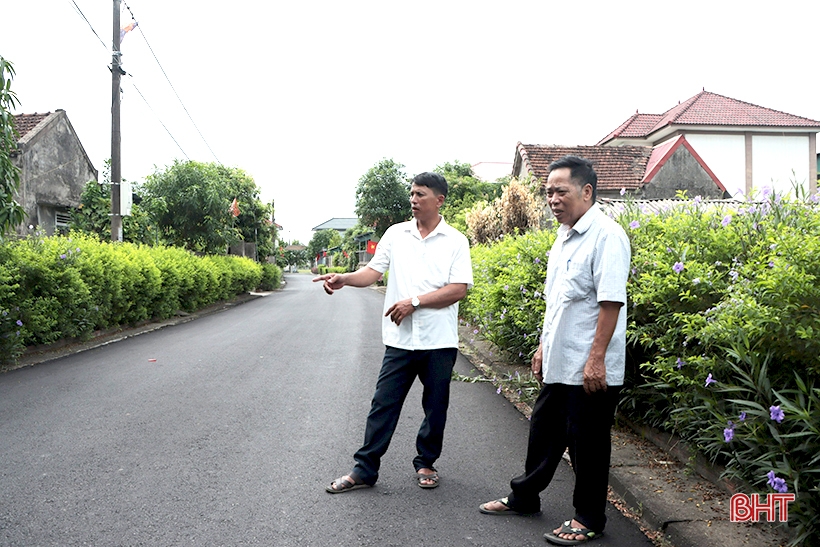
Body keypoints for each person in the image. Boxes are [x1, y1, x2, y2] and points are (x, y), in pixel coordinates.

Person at [478, 156, 630, 546]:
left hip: (589, 367)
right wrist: (543, 346)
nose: (553, 199)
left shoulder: (607, 236)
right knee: (544, 432)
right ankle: (524, 497)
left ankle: (589, 517)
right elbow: (559, 302)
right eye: (548, 192)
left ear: (587, 192)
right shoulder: (563, 238)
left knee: (589, 445)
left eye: (561, 191)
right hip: (561, 360)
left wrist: (596, 359)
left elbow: (610, 303)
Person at [313, 171, 473, 493]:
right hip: (400, 341)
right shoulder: (396, 234)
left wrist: (415, 302)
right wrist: (344, 278)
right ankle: (364, 469)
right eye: (412, 194)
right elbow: (372, 272)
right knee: (383, 404)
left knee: (435, 406)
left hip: (438, 341)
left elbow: (458, 289)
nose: (413, 200)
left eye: (421, 195)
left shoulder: (456, 240)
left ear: (439, 200)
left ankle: (426, 462)